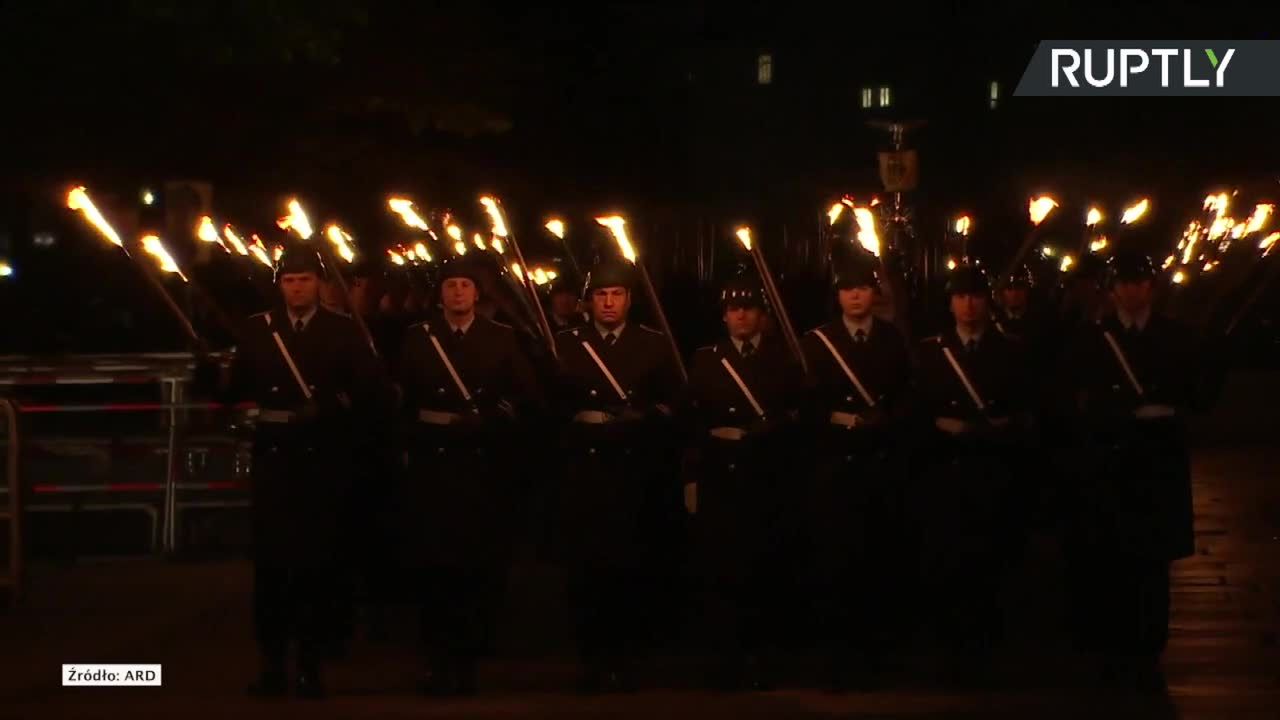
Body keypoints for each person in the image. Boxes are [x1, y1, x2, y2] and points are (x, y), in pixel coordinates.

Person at [202, 245, 389, 699]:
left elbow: (370, 392)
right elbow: (236, 391)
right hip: (274, 459)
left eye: (304, 280)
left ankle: (309, 664)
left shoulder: (342, 331)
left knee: (316, 567)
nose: (297, 287)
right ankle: (271, 664)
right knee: (270, 569)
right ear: (279, 285)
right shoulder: (259, 330)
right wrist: (209, 375)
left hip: (322, 460)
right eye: (289, 280)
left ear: (319, 284)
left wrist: (328, 406)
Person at [395, 253, 541, 696]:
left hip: (480, 467)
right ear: (439, 295)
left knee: (475, 568)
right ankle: (437, 660)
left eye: (465, 285)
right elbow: (401, 400)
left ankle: (468, 661)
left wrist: (492, 421)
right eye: (450, 285)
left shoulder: (500, 338)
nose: (457, 292)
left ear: (478, 294)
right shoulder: (418, 339)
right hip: (432, 466)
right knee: (435, 569)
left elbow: (525, 396)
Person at [1062, 250, 1199, 693]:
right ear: (1112, 289)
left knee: (1152, 565)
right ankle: (1112, 648)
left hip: (1155, 467)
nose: (1130, 291)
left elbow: (1196, 391)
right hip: (1110, 465)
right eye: (1123, 283)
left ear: (1151, 287)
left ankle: (1147, 648)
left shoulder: (1177, 338)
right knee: (1109, 560)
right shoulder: (1091, 338)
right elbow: (1077, 398)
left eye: (1139, 282)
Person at [552, 257, 682, 693]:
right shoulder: (567, 344)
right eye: (601, 295)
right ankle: (590, 659)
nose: (609, 303)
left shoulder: (653, 344)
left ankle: (625, 659)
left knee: (630, 569)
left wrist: (641, 420)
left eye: (617, 295)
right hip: (585, 473)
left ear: (630, 300)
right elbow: (550, 408)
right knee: (587, 572)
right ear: (589, 302)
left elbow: (673, 405)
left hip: (633, 471)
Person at [680, 271, 802, 691]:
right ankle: (723, 660)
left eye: (748, 308)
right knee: (721, 572)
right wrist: (693, 474)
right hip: (720, 477)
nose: (741, 316)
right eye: (734, 309)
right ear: (724, 316)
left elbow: (795, 413)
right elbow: (692, 421)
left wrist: (774, 430)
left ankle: (761, 658)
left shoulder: (783, 357)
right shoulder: (706, 359)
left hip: (765, 475)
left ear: (762, 315)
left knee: (765, 570)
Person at [798, 253, 913, 691]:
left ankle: (876, 659)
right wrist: (836, 422)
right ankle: (837, 661)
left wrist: (889, 420)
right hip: (836, 469)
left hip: (879, 467)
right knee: (835, 566)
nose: (855, 296)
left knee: (877, 565)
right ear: (838, 296)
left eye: (862, 288)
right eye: (848, 290)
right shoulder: (818, 342)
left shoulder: (892, 340)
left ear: (873, 292)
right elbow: (807, 406)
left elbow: (907, 394)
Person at [913, 263, 1030, 688]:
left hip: (994, 471)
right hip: (947, 472)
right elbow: (917, 412)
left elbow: (1025, 410)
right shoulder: (931, 353)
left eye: (976, 296)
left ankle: (990, 651)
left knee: (992, 563)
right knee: (948, 564)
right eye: (961, 297)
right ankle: (950, 651)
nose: (969, 305)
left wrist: (1000, 430)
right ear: (950, 303)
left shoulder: (1011, 350)